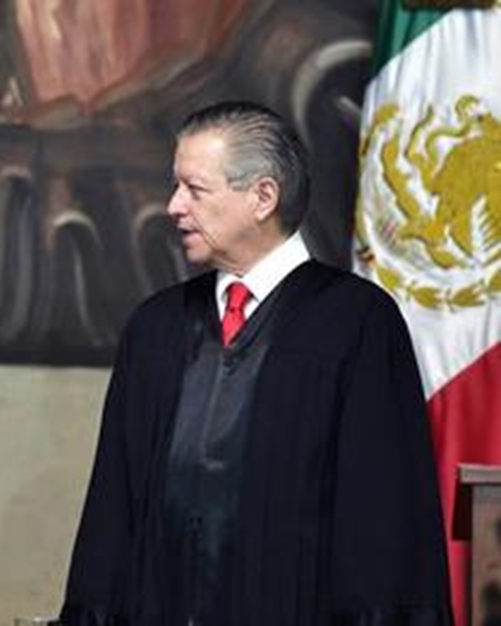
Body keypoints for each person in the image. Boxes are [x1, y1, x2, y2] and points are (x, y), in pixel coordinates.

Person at [57, 101, 450, 625]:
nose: (173, 206)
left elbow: (383, 527)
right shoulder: (157, 327)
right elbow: (112, 516)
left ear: (263, 196)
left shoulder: (355, 323)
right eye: (176, 187)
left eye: (195, 189)